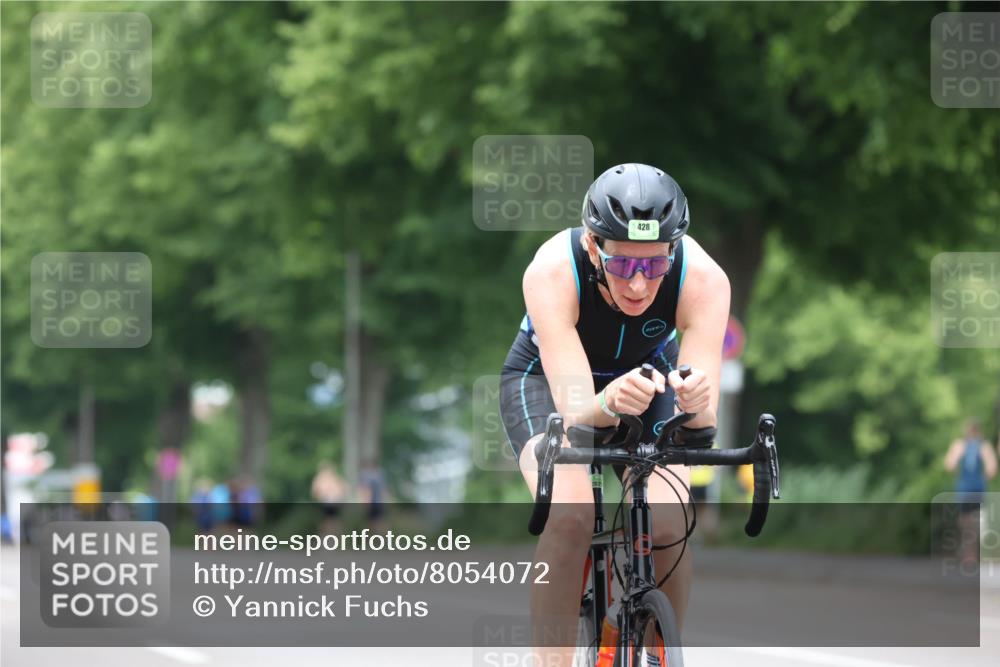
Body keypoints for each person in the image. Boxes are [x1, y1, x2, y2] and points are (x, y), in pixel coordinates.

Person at [499, 163, 729, 666]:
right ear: (591, 245)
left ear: (673, 251)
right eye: (624, 265)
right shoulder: (551, 271)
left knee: (670, 521)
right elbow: (578, 408)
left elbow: (700, 420)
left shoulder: (705, 279)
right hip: (547, 383)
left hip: (648, 381)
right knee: (572, 515)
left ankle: (651, 649)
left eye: (655, 265)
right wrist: (605, 403)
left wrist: (695, 403)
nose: (641, 285)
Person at [944, 418, 997, 564]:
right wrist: (982, 477)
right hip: (978, 487)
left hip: (964, 487)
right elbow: (992, 469)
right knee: (976, 519)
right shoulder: (984, 446)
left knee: (965, 519)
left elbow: (949, 465)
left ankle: (970, 552)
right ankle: (976, 550)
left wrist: (959, 473)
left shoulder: (960, 445)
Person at [311, 461, 347, 536]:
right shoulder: (333, 477)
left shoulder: (323, 478)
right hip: (331, 502)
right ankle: (331, 536)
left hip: (331, 502)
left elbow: (314, 491)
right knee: (331, 520)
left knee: (330, 520)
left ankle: (331, 536)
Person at [358, 458, 388, 533]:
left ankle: (372, 540)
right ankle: (380, 540)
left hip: (371, 502)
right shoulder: (380, 474)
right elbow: (384, 489)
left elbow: (366, 490)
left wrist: (365, 502)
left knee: (370, 523)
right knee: (378, 522)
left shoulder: (366, 474)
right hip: (379, 502)